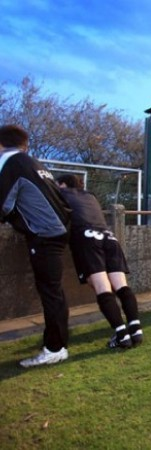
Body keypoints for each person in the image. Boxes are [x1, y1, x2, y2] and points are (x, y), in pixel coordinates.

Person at [0, 125, 72, 367]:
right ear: (25, 144)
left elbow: (4, 204)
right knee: (56, 293)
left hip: (44, 235)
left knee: (51, 293)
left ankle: (54, 348)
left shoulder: (11, 163)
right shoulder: (35, 164)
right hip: (57, 232)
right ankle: (57, 344)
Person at [57, 174, 143, 349]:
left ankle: (121, 336)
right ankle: (135, 329)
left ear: (64, 184)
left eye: (58, 185)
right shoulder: (90, 196)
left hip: (87, 237)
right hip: (109, 236)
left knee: (102, 288)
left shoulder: (62, 195)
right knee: (121, 286)